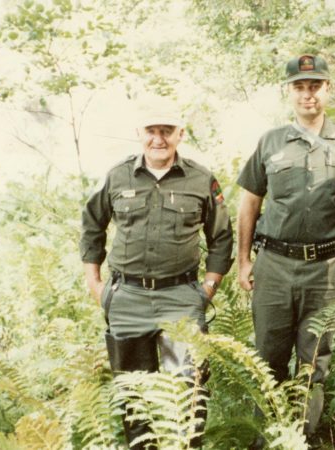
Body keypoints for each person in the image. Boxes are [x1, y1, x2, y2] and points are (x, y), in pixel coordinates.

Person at [80, 96, 233, 449]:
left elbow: (221, 236)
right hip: (127, 298)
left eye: (167, 130)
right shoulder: (118, 176)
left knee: (189, 389)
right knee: (135, 396)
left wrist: (208, 287)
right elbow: (92, 225)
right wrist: (95, 283)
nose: (159, 139)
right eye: (152, 130)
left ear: (181, 133)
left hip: (181, 297)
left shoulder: (201, 178)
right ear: (140, 133)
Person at [236, 55, 335, 444]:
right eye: (299, 86)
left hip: (327, 268)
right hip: (274, 266)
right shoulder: (270, 142)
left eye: (315, 86)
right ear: (288, 91)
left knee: (313, 362)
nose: (307, 94)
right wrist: (243, 261)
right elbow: (249, 203)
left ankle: (304, 438)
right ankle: (267, 438)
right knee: (267, 359)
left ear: (328, 89)